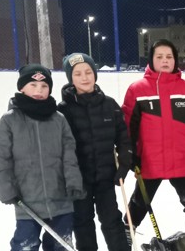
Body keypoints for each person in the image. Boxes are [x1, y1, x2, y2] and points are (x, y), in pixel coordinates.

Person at [122, 39, 185, 236]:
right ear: (151, 60)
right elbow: (128, 127)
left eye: (169, 57)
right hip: (149, 159)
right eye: (159, 57)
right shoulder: (137, 90)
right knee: (141, 198)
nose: (165, 61)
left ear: (175, 60)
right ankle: (129, 228)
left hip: (180, 157)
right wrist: (130, 153)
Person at [0, 64, 84, 250]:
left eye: (44, 86)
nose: (39, 90)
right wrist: (6, 189)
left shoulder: (59, 119)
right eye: (33, 85)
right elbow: (1, 160)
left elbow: (69, 155)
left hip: (61, 200)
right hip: (27, 202)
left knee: (61, 246)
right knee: (26, 245)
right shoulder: (9, 120)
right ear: (22, 88)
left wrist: (74, 182)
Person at [58, 53, 133, 251]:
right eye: (78, 74)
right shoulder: (63, 111)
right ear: (70, 78)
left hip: (105, 178)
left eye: (88, 72)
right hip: (78, 180)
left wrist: (124, 164)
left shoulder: (110, 105)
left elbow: (124, 139)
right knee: (82, 223)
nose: (85, 77)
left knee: (112, 220)